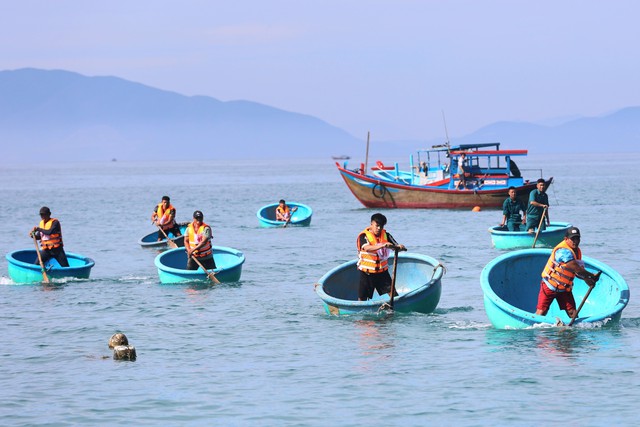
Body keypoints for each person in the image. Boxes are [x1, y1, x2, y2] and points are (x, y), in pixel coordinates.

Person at [535, 227, 599, 318]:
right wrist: (591, 275)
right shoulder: (562, 251)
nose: (575, 241)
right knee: (542, 311)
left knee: (573, 313)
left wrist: (588, 280)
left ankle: (572, 331)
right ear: (566, 239)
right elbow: (575, 267)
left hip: (564, 289)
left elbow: (579, 271)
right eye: (573, 239)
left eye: (577, 238)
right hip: (549, 286)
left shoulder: (577, 252)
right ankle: (535, 327)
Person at [356, 213, 406, 301]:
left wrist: (400, 247)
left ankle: (397, 308)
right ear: (371, 224)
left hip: (382, 273)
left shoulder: (386, 235)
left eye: (381, 226)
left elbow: (396, 246)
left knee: (393, 294)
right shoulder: (363, 236)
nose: (379, 228)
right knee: (362, 298)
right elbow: (367, 248)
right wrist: (382, 245)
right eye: (377, 226)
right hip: (367, 273)